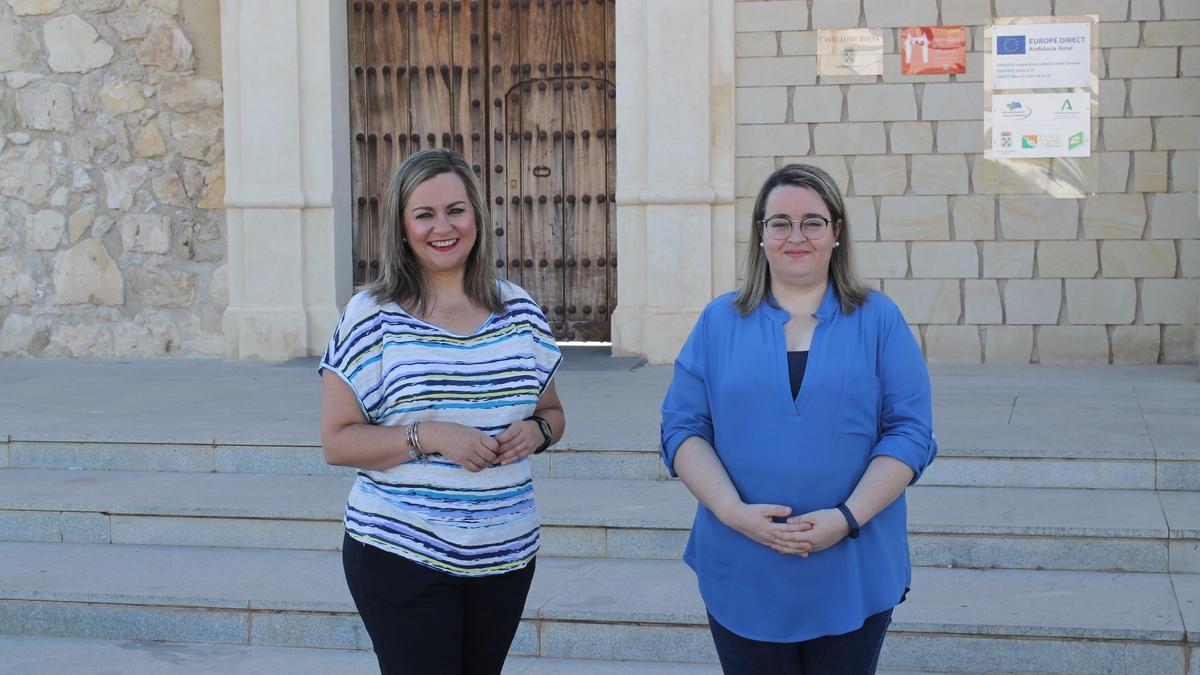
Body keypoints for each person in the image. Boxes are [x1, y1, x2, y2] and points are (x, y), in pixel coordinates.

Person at [660, 164, 936, 674]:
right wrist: (733, 512)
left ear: (836, 233)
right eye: (780, 222)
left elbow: (911, 431)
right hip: (742, 563)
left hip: (853, 562)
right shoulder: (719, 321)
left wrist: (847, 518)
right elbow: (682, 428)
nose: (796, 235)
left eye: (812, 221)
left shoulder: (879, 319)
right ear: (760, 235)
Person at [318, 148, 565, 675]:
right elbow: (337, 442)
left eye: (455, 209)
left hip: (506, 553)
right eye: (424, 214)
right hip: (399, 551)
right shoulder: (371, 316)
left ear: (476, 215)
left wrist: (535, 433)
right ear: (401, 226)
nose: (442, 227)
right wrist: (426, 435)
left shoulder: (518, 309)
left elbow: (552, 413)